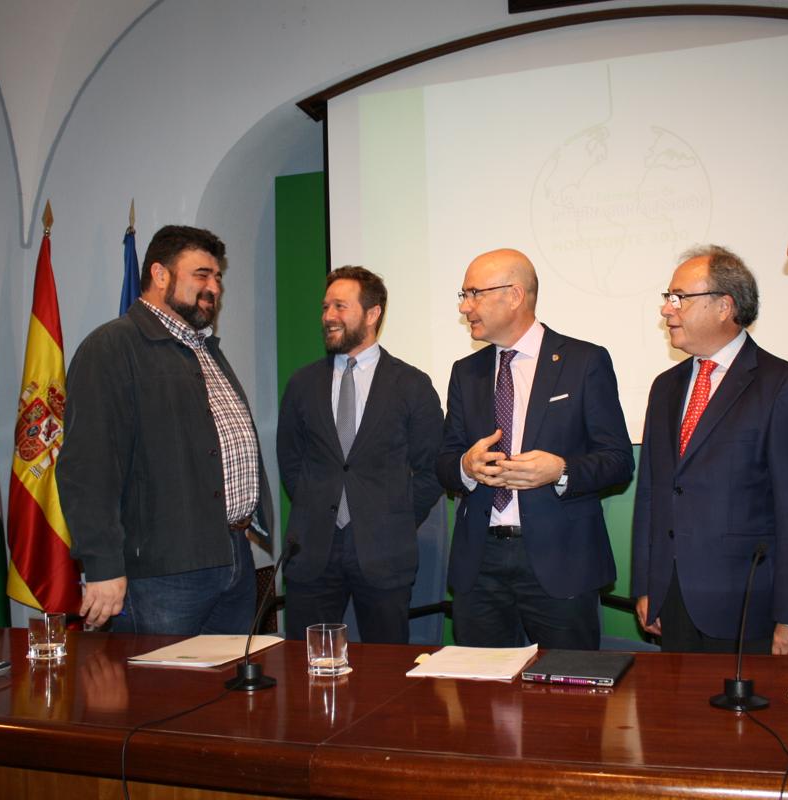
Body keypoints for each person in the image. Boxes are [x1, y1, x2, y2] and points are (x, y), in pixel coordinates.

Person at [57, 224, 274, 635]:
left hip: (233, 555)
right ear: (159, 275)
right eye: (201, 275)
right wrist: (103, 565)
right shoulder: (112, 347)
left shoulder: (204, 348)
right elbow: (88, 467)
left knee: (229, 677)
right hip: (163, 574)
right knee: (162, 677)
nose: (214, 288)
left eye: (218, 277)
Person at [436, 248, 634, 650]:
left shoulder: (584, 361)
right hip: (480, 563)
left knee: (567, 683)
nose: (464, 306)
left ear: (514, 295)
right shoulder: (465, 372)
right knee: (481, 685)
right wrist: (465, 466)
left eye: (474, 294)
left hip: (561, 559)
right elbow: (443, 461)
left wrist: (560, 470)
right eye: (463, 295)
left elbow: (617, 461)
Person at [631, 245, 788, 654]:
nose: (667, 309)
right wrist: (647, 587)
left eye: (679, 298)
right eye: (668, 298)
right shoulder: (665, 387)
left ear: (724, 306)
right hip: (673, 601)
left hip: (748, 608)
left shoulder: (782, 385)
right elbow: (651, 495)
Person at [277, 266, 444, 643]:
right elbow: (291, 461)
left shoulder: (412, 385)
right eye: (325, 307)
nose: (328, 316)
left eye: (340, 306)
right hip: (312, 552)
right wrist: (315, 506)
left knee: (386, 668)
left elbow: (432, 468)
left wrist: (396, 517)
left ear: (372, 314)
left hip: (385, 553)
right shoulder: (302, 383)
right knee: (307, 664)